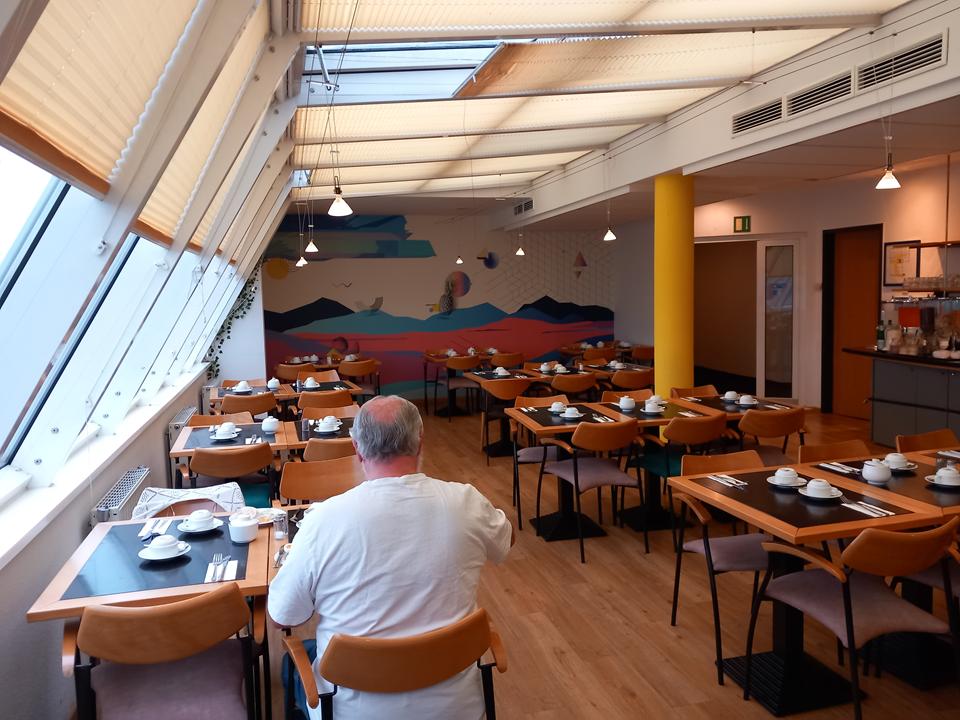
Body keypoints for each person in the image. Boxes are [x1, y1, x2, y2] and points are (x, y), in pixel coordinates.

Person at [269, 395, 513, 719]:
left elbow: (283, 617)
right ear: (420, 442)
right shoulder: (466, 502)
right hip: (457, 706)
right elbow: (505, 542)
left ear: (357, 449)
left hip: (352, 710)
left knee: (292, 664)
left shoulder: (323, 520)